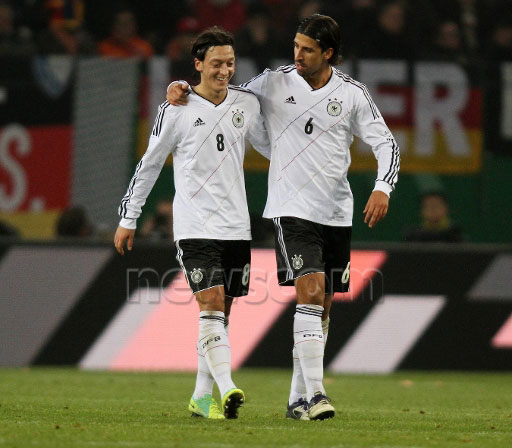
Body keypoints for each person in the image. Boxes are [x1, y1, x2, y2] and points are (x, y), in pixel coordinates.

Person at [167, 14, 399, 421]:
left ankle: (297, 398)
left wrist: (383, 186)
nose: (298, 55)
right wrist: (183, 87)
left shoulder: (352, 94)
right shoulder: (274, 82)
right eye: (295, 46)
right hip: (290, 208)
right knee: (310, 290)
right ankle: (318, 393)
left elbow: (386, 143)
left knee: (323, 305)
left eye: (307, 49)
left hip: (336, 211)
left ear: (328, 53)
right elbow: (223, 93)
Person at [114, 27, 271, 420]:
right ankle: (227, 386)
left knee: (220, 314)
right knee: (211, 303)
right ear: (198, 64)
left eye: (230, 63)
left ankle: (202, 396)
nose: (224, 70)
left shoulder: (246, 104)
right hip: (195, 225)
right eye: (216, 63)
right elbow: (149, 165)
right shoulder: (176, 109)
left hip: (236, 226)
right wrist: (129, 217)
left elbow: (271, 146)